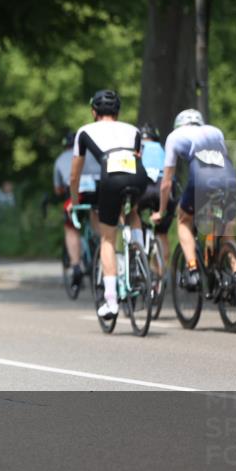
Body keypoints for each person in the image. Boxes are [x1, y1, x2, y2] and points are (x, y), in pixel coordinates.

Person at [70, 90, 147, 320]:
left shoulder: (84, 131)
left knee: (107, 238)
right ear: (118, 112)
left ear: (94, 112)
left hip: (111, 177)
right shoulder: (133, 130)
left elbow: (75, 175)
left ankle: (111, 300)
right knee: (132, 212)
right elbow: (136, 157)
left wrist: (74, 202)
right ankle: (138, 257)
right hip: (137, 176)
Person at [152, 109, 236, 290]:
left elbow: (166, 182)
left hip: (201, 179)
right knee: (225, 230)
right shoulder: (216, 131)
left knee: (184, 220)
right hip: (229, 178)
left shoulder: (174, 137)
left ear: (179, 124)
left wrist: (161, 210)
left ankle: (192, 270)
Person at [54, 130, 101, 290]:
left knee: (71, 228)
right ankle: (101, 245)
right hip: (96, 190)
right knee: (96, 213)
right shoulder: (92, 154)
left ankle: (75, 266)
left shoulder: (61, 159)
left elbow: (59, 189)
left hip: (76, 192)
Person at [135, 123, 175, 268]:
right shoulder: (163, 148)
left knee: (132, 217)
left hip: (143, 189)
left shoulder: (137, 148)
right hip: (164, 190)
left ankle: (137, 249)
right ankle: (162, 274)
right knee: (162, 232)